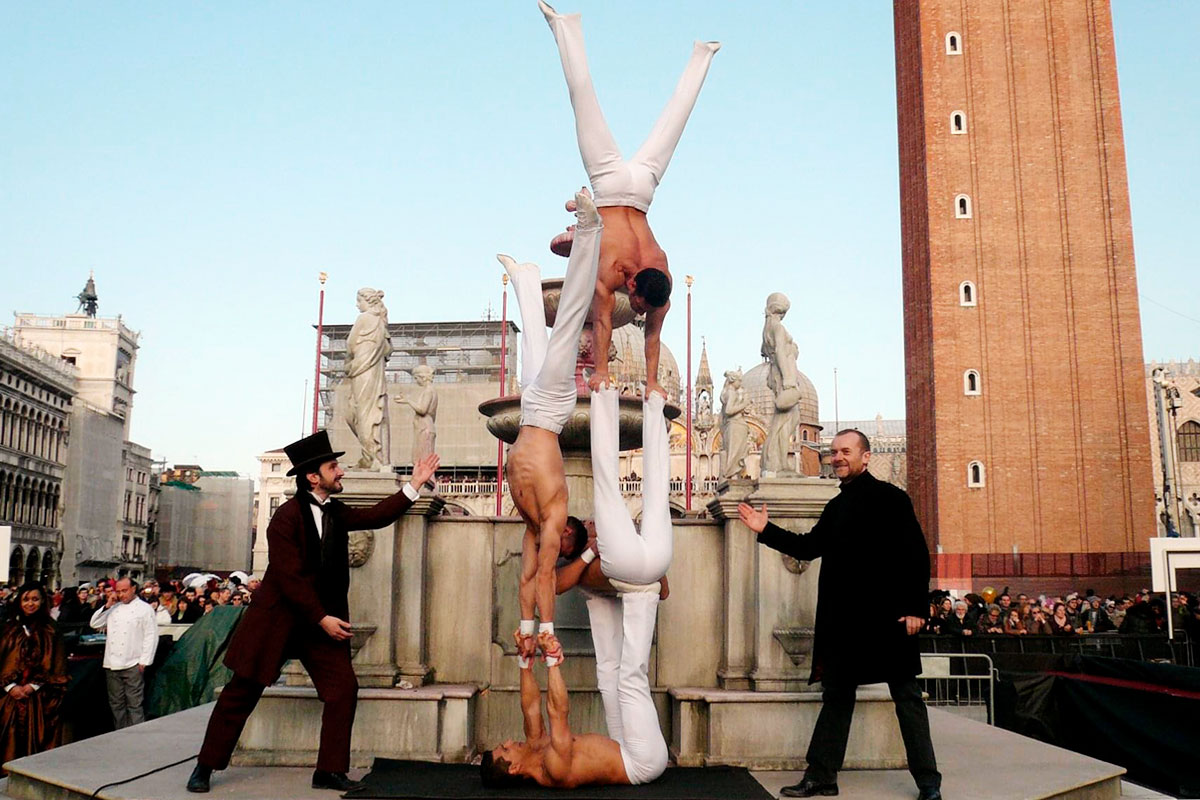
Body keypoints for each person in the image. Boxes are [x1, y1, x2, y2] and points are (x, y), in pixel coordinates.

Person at [186, 430, 439, 794]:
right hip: (280, 620)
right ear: (312, 477)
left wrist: (413, 485)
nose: (342, 472)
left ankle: (329, 771)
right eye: (334, 466)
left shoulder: (335, 511)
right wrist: (322, 617)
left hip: (320, 623)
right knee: (241, 693)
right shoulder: (285, 518)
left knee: (342, 691)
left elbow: (376, 516)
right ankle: (205, 766)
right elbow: (289, 578)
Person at [738, 429, 941, 800]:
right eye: (833, 452)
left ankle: (928, 782)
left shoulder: (892, 498)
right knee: (837, 697)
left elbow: (915, 553)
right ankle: (821, 777)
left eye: (845, 451)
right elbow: (808, 547)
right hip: (846, 623)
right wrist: (765, 529)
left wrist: (916, 608)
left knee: (908, 699)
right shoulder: (836, 507)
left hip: (890, 618)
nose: (837, 457)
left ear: (866, 457)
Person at [538, 0, 719, 398]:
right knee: (584, 103)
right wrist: (600, 371)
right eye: (637, 302)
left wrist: (653, 383)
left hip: (641, 191)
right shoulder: (615, 272)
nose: (636, 310)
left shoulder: (661, 284)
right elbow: (602, 322)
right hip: (613, 186)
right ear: (633, 283)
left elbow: (650, 337)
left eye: (637, 306)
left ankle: (703, 53)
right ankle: (562, 27)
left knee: (674, 119)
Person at [498, 189, 602, 662]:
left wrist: (524, 634)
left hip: (530, 413)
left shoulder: (530, 522)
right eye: (564, 542)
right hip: (553, 408)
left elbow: (526, 578)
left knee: (535, 344)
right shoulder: (555, 511)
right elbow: (544, 577)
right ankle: (590, 230)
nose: (555, 545)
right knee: (570, 319)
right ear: (569, 535)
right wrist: (548, 632)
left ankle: (525, 277)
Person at [481, 632, 636, 789]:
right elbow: (558, 712)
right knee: (632, 681)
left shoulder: (536, 745)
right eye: (506, 749)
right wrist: (552, 658)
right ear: (514, 768)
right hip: (637, 764)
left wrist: (524, 658)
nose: (509, 742)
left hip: (621, 745)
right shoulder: (553, 769)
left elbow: (530, 706)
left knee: (608, 676)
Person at [0, 584, 68, 772]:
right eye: (26, 599)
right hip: (9, 698)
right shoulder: (8, 628)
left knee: (37, 741)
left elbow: (58, 664)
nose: (30, 604)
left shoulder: (51, 629)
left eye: (35, 599)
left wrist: (33, 686)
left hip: (39, 698)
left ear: (42, 601)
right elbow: (3, 659)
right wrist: (10, 686)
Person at [89, 577, 159, 729]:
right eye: (118, 591)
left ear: (133, 589)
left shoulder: (145, 609)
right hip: (112, 663)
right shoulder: (114, 608)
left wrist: (144, 661)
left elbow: (151, 635)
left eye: (124, 591)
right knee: (116, 704)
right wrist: (108, 604)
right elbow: (94, 623)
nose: (121, 595)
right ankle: (119, 733)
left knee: (134, 703)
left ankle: (137, 734)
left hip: (133, 662)